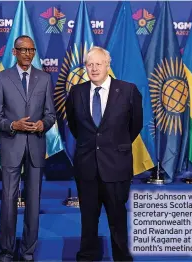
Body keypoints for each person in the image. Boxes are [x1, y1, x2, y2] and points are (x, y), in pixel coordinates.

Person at [65, 46, 143, 262]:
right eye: (89, 64)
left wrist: (115, 145)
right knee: (88, 220)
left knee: (117, 220)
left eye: (98, 64)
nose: (94, 68)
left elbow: (135, 125)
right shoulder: (77, 92)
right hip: (87, 167)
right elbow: (74, 126)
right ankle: (87, 258)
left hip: (116, 166)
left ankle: (122, 258)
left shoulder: (128, 90)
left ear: (108, 65)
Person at [0, 35, 56, 262]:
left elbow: (51, 114)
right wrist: (12, 125)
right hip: (12, 146)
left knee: (34, 202)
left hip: (36, 147)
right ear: (14, 52)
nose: (28, 54)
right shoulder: (1, 78)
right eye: (23, 50)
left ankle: (28, 253)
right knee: (8, 200)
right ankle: (6, 252)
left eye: (31, 50)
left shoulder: (45, 78)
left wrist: (42, 124)